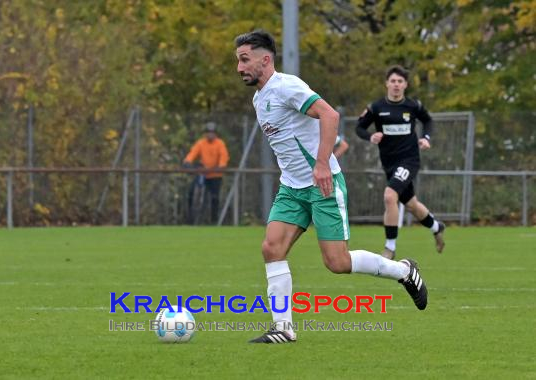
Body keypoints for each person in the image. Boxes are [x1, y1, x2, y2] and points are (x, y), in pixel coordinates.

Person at [235, 30, 428, 344]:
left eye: (245, 60)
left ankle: (404, 271)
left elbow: (330, 115)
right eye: (238, 61)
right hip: (292, 188)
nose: (240, 68)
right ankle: (282, 328)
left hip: (322, 184)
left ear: (265, 59)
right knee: (271, 248)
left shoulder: (287, 87)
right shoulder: (259, 98)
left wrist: (322, 163)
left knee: (337, 263)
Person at [356, 65, 445, 259]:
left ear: (406, 85)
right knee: (412, 205)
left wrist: (427, 138)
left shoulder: (413, 106)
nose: (396, 85)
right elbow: (359, 128)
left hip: (409, 160)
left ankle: (390, 248)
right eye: (393, 81)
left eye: (400, 81)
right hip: (389, 163)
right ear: (387, 83)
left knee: (390, 196)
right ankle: (437, 227)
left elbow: (428, 121)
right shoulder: (377, 107)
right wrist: (370, 136)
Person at [183, 122, 230, 224]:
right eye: (208, 132)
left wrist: (221, 166)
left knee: (214, 197)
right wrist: (187, 161)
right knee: (191, 192)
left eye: (212, 132)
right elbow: (192, 154)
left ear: (215, 134)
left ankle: (214, 221)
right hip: (203, 174)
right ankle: (190, 219)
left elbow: (224, 158)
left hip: (215, 175)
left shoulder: (220, 144)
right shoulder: (201, 143)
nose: (210, 134)